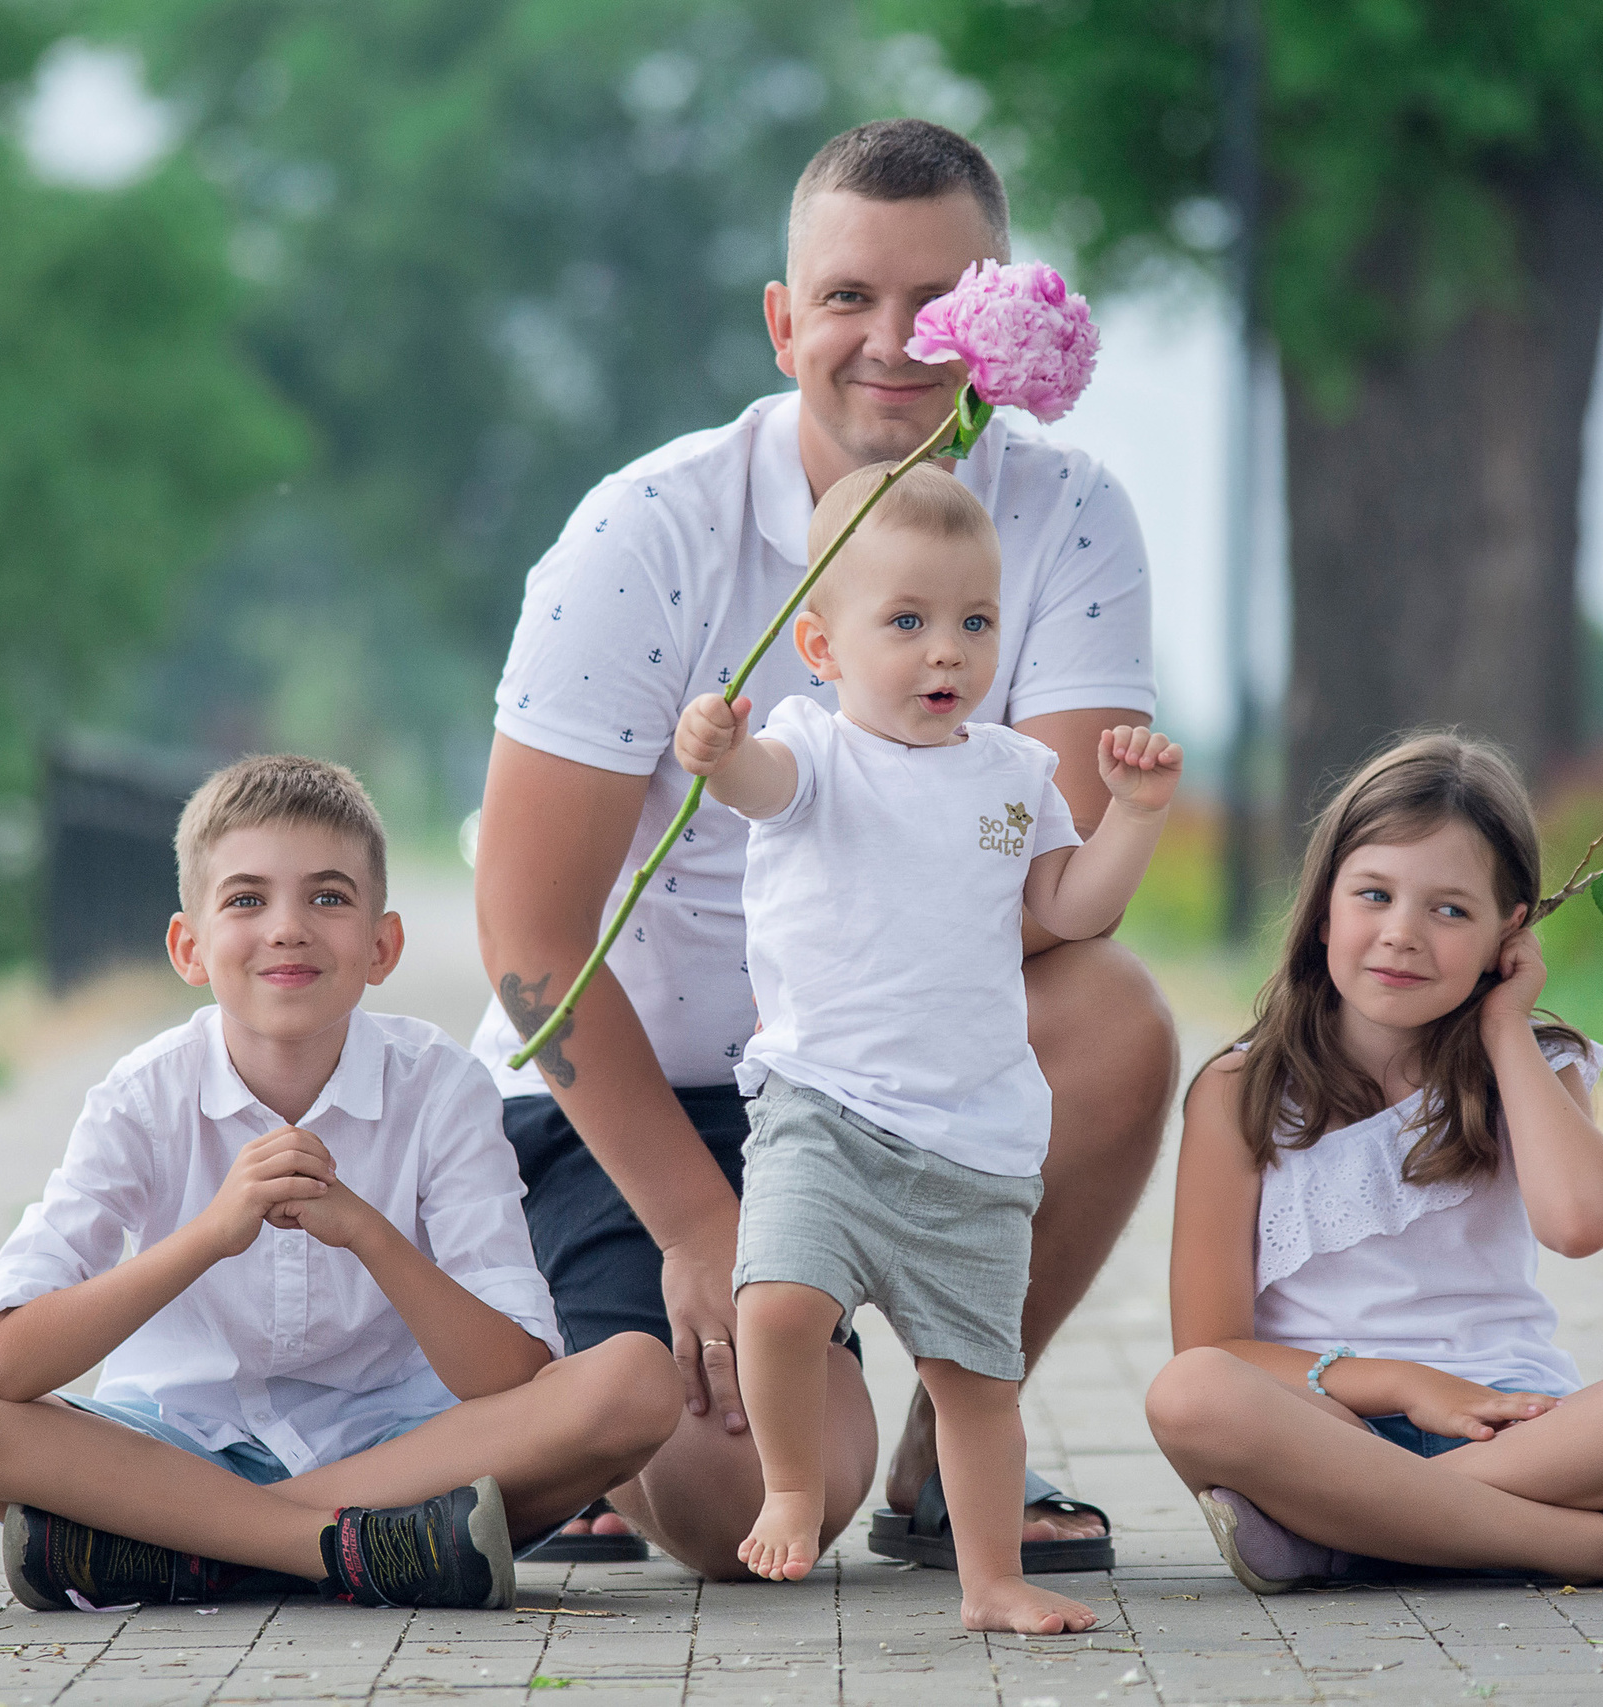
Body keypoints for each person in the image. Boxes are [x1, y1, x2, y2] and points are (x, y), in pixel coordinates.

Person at [471, 117, 1174, 1577]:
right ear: (784, 323)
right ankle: (578, 1384)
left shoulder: (1070, 515)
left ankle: (956, 1441)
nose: (895, 340)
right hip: (649, 1093)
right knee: (737, 1509)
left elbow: (1050, 879)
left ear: (1000, 321)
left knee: (1114, 1014)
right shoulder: (644, 530)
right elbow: (531, 937)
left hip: (892, 1071)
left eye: (941, 301)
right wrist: (696, 1227)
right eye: (850, 297)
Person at [0, 755, 682, 1611]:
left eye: (327, 896)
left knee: (634, 1380)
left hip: (401, 1452)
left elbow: (512, 1378)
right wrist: (211, 1234)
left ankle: (180, 1550)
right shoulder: (143, 1095)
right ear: (188, 947)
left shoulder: (441, 1087)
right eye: (247, 900)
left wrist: (367, 1231)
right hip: (172, 1444)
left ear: (382, 945)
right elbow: (2, 1361)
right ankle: (340, 1550)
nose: (288, 928)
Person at [672, 462, 1179, 1629]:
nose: (946, 650)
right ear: (821, 645)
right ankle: (791, 1487)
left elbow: (1068, 906)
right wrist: (716, 748)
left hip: (972, 1136)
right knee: (779, 1305)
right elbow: (755, 786)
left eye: (975, 622)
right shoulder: (812, 750)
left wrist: (1135, 817)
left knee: (977, 1386)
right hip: (824, 1107)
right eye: (905, 622)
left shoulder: (1013, 775)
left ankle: (990, 1581)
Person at [1144, 732, 1603, 1592]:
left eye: (1450, 911)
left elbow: (1581, 1222)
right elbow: (1212, 1343)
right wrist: (1407, 1384)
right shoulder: (1241, 1088)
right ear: (1324, 908)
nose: (1402, 934)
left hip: (1523, 1430)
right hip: (1328, 1424)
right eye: (1374, 894)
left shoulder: (1534, 1062)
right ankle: (1598, 1547)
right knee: (1190, 1393)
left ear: (1507, 932)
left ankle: (1346, 1533)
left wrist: (1505, 1028)